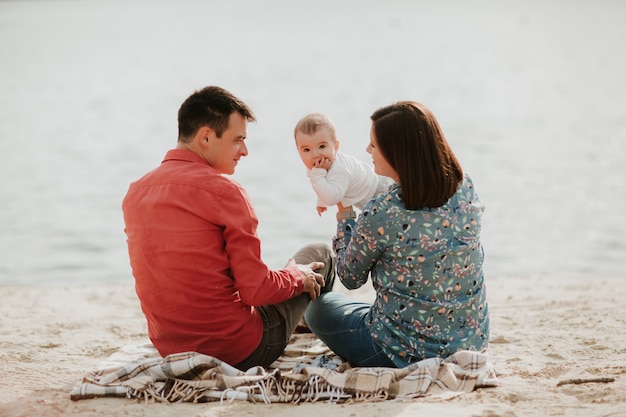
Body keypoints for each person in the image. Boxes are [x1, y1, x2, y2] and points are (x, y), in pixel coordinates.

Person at [122, 86, 335, 371]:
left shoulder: (136, 192)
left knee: (284, 276)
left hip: (170, 348)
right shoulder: (225, 192)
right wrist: (296, 276)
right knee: (319, 254)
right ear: (206, 137)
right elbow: (255, 291)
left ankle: (297, 317)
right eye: (238, 140)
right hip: (239, 350)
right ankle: (318, 327)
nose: (245, 151)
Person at [305, 101, 489, 368]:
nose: (368, 150)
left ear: (397, 153)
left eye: (374, 145)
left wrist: (344, 212)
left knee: (318, 309)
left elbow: (350, 277)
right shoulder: (465, 186)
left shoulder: (382, 211)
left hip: (399, 351)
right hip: (472, 340)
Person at [294, 113, 392, 216]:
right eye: (306, 149)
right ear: (298, 152)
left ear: (335, 147)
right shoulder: (318, 168)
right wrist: (321, 201)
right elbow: (324, 183)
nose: (315, 155)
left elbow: (332, 198)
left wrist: (318, 177)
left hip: (380, 191)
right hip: (368, 198)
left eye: (322, 146)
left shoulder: (339, 169)